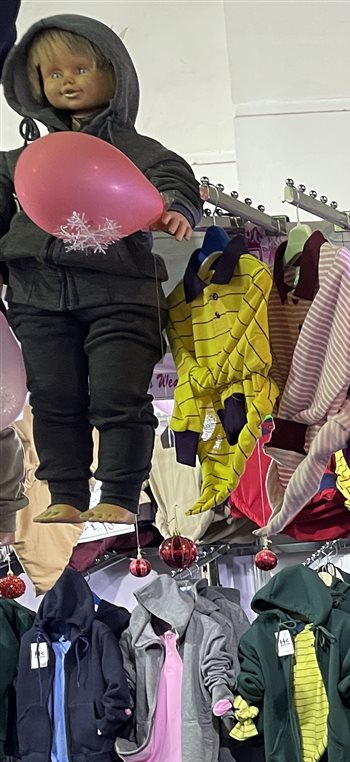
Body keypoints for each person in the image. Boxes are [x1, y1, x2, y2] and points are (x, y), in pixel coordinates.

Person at [0, 15, 199, 526]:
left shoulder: (139, 152)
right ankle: (65, 492)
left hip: (121, 293)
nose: (67, 81)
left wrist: (176, 207)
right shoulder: (19, 161)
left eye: (81, 68)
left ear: (114, 75)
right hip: (37, 296)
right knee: (53, 397)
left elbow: (174, 178)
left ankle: (121, 492)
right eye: (52, 74)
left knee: (118, 395)